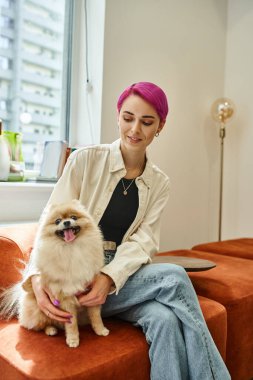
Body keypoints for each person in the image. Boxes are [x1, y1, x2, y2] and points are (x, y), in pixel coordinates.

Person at [28, 82, 230, 380]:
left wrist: (109, 278)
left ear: (160, 125)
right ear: (117, 116)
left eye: (147, 122)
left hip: (119, 281)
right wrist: (34, 277)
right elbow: (50, 218)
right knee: (174, 278)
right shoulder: (85, 160)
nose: (135, 129)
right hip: (77, 281)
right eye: (128, 117)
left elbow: (144, 241)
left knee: (164, 319)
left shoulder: (159, 183)